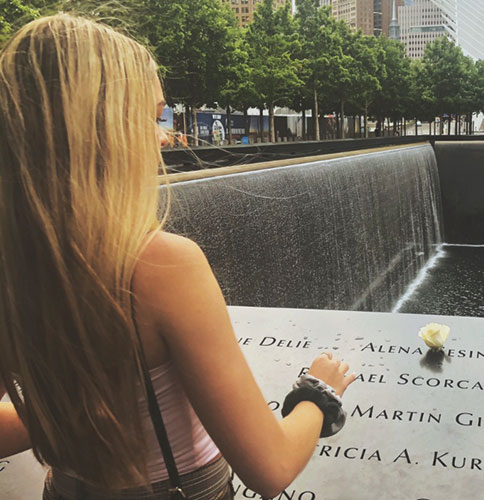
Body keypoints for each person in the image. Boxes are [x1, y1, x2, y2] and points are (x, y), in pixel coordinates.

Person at [0, 14, 356, 500]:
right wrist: (317, 393)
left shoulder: (13, 258)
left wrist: (71, 406)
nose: (164, 137)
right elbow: (270, 469)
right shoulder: (160, 266)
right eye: (150, 118)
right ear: (99, 130)